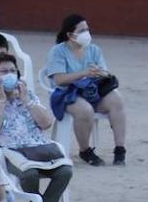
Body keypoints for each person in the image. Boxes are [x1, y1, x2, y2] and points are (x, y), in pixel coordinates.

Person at [0, 53, 74, 202]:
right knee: (30, 174)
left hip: (38, 147)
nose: (9, 74)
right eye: (4, 71)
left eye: (13, 70)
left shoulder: (27, 96)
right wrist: (0, 103)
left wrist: (27, 101)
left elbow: (46, 122)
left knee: (65, 171)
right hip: (10, 149)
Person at [46, 14, 128, 166]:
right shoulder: (58, 51)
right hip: (67, 93)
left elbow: (104, 72)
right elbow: (59, 80)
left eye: (87, 30)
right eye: (82, 30)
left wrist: (100, 73)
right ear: (70, 35)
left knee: (117, 100)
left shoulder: (94, 50)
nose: (86, 34)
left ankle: (120, 149)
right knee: (85, 110)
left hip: (92, 90)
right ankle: (85, 150)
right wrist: (84, 73)